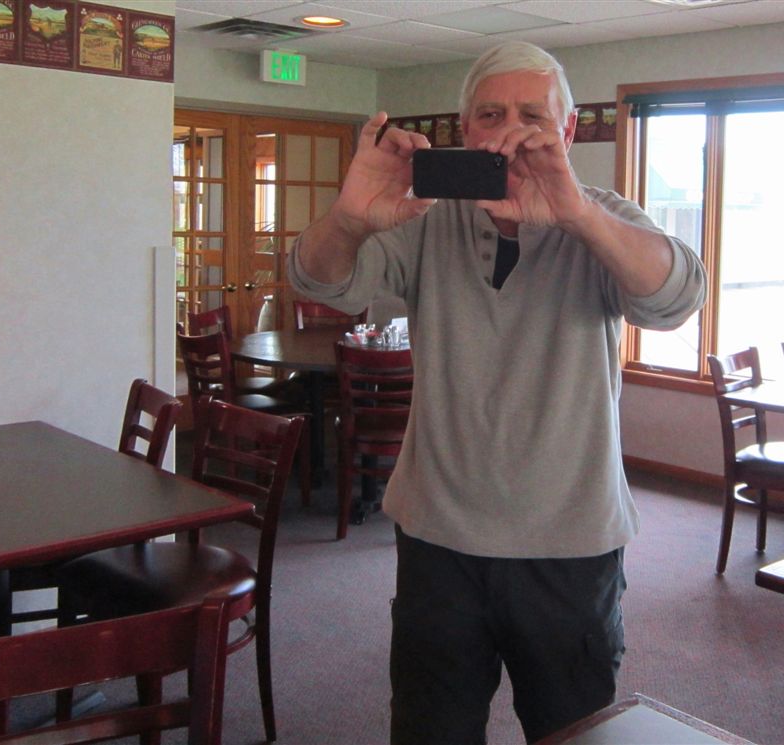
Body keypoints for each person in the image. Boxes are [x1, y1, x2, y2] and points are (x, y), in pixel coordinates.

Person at [289, 41, 706, 745]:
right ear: (467, 129)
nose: (510, 132)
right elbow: (322, 281)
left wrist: (578, 215)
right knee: (430, 731)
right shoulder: (426, 218)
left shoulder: (603, 218)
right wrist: (351, 219)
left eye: (532, 116)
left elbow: (676, 297)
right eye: (490, 115)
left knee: (572, 731)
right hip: (439, 538)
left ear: (566, 130)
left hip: (570, 543)